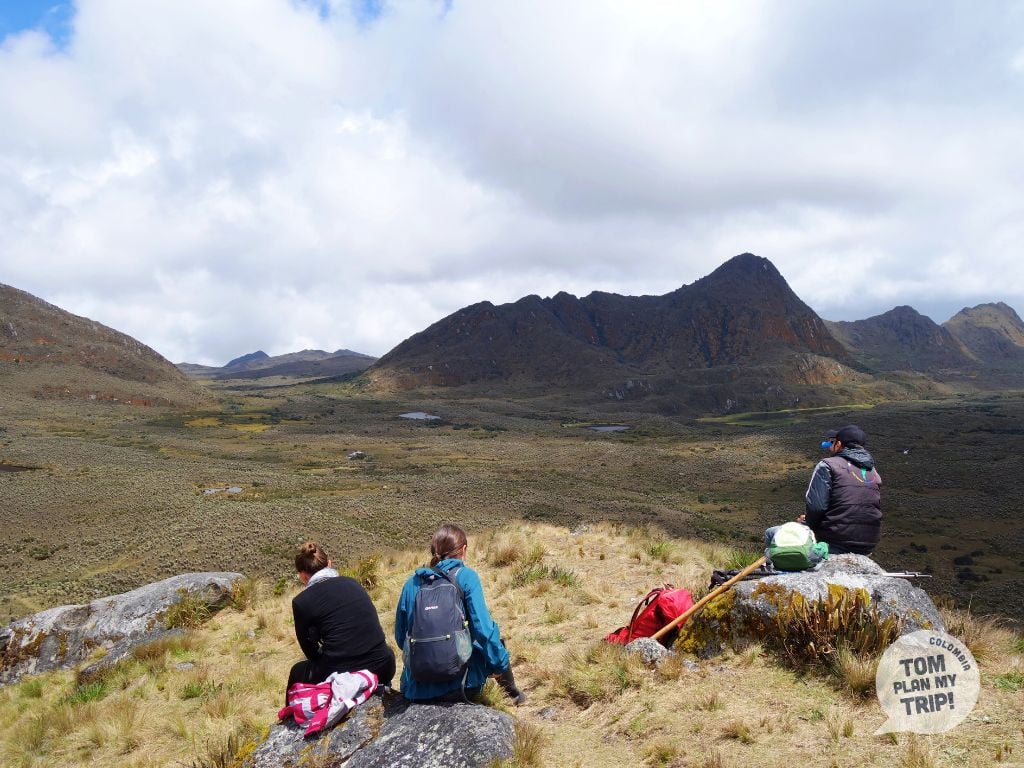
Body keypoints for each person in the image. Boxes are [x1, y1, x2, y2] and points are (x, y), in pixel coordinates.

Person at [394, 524, 525, 704]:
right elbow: (484, 631)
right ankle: (514, 695)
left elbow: (401, 637)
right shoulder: (467, 577)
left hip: (418, 689)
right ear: (463, 550)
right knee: (495, 643)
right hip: (463, 686)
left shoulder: (412, 583)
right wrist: (499, 666)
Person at [286, 541, 395, 702]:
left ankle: (292, 721)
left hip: (342, 674)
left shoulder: (301, 602)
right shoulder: (353, 583)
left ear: (302, 576)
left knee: (297, 671)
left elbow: (310, 653)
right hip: (384, 665)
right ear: (330, 564)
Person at [798, 424, 882, 555]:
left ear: (838, 444)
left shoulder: (827, 465)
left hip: (835, 541)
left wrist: (807, 523)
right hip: (868, 544)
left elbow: (816, 507)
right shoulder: (873, 471)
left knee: (781, 533)